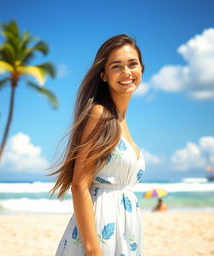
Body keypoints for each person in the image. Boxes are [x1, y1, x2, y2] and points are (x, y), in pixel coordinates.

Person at [48, 34, 146, 256]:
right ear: (103, 75)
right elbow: (79, 185)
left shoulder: (122, 121)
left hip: (126, 229)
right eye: (116, 66)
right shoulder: (100, 114)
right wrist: (93, 249)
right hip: (101, 229)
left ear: (141, 69)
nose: (127, 72)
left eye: (133, 64)